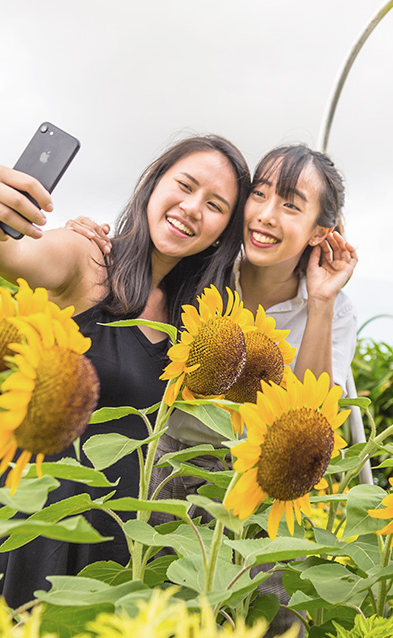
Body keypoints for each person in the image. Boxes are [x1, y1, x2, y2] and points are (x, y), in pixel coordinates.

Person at [0, 135, 252, 612]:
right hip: (38, 517)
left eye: (215, 205)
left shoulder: (193, 323)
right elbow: (10, 254)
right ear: (153, 185)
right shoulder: (87, 258)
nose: (192, 208)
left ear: (222, 232)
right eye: (185, 186)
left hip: (119, 538)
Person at [68, 142, 361, 493]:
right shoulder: (206, 273)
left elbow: (313, 416)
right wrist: (91, 238)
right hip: (165, 465)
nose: (267, 215)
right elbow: (139, 262)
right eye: (260, 194)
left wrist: (321, 303)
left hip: (254, 482)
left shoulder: (335, 310)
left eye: (290, 206)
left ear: (319, 231)